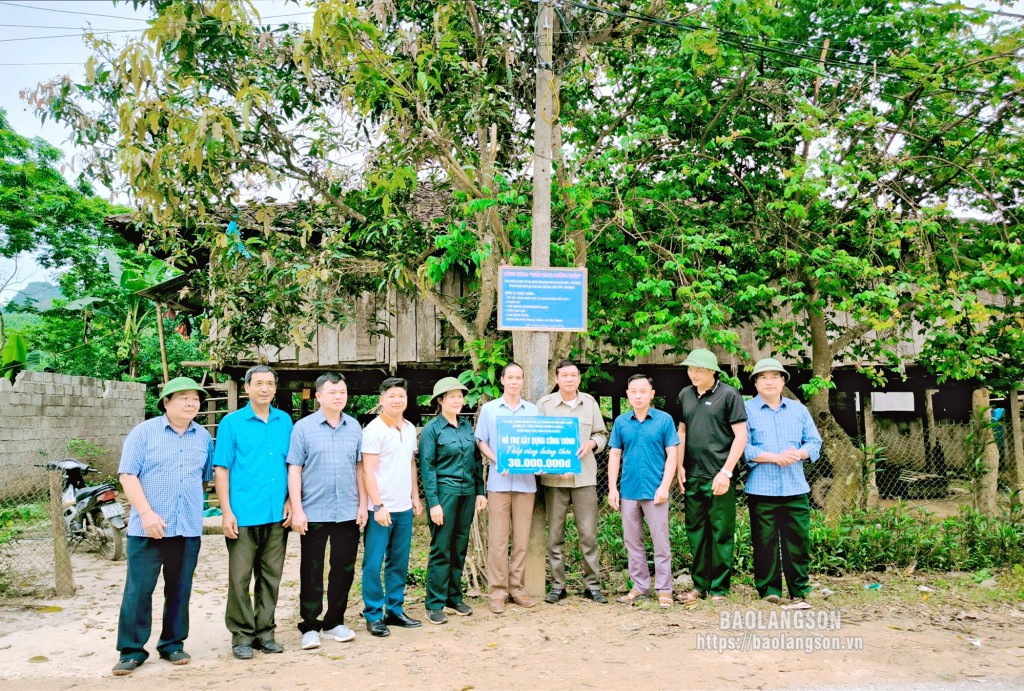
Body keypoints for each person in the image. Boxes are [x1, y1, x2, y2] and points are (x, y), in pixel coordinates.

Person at [112, 377, 213, 676]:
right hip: (148, 528)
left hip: (186, 528)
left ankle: (172, 644)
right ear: (166, 402)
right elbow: (127, 476)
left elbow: (203, 480)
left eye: (195, 398)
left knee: (180, 588)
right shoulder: (144, 433)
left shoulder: (203, 437)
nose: (191, 402)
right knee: (139, 590)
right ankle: (131, 650)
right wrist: (146, 513)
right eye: (182, 397)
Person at [213, 365, 293, 660]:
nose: (264, 388)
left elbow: (292, 466)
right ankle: (242, 635)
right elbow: (221, 469)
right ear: (247, 387)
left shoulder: (285, 421)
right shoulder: (231, 423)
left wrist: (290, 502)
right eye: (258, 383)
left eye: (269, 384)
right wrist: (226, 512)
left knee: (271, 576)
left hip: (276, 513)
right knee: (240, 577)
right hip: (243, 512)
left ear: (275, 388)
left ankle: (265, 632)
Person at [287, 372, 367, 651]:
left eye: (342, 392)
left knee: (343, 568)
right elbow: (294, 469)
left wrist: (362, 504)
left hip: (347, 509)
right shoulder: (303, 428)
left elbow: (360, 468)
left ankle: (335, 621)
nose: (338, 396)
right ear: (319, 396)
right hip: (314, 510)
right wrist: (297, 509)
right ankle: (309, 625)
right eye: (332, 392)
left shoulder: (355, 427)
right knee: (311, 568)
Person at [744, 358, 822, 603]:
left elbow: (814, 443)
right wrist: (774, 457)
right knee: (764, 543)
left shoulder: (798, 410)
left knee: (798, 541)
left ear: (783, 382)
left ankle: (800, 588)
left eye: (775, 377)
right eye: (763, 378)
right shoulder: (746, 410)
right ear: (755, 383)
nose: (769, 382)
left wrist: (797, 454)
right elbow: (742, 447)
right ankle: (769, 591)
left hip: (795, 487)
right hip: (761, 489)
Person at [676, 348, 748, 604]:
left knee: (721, 532)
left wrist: (726, 472)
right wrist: (679, 466)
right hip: (692, 474)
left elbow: (741, 436)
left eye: (698, 370)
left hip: (719, 476)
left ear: (712, 371)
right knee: (696, 531)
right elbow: (681, 432)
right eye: (690, 369)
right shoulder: (685, 394)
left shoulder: (729, 395)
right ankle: (699, 585)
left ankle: (719, 588)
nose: (693, 374)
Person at [537, 359, 609, 604]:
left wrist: (592, 443)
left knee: (588, 534)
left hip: (584, 478)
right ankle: (558, 586)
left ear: (579, 379)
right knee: (555, 535)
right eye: (564, 375)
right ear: (557, 379)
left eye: (574, 375)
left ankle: (592, 586)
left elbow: (602, 434)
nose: (569, 379)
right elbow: (537, 440)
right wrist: (556, 464)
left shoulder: (589, 403)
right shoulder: (545, 405)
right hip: (555, 480)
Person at [607, 373, 680, 609]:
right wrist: (611, 488)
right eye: (633, 392)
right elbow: (615, 454)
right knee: (632, 541)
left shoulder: (664, 420)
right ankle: (639, 586)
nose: (638, 395)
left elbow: (672, 454)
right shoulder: (621, 422)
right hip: (628, 490)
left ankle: (664, 589)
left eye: (643, 391)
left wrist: (665, 485)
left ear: (652, 394)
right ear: (627, 395)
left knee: (660, 541)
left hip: (655, 490)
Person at [419, 377, 487, 625]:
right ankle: (434, 602)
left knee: (459, 548)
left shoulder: (467, 426)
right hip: (444, 494)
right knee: (441, 549)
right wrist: (434, 503)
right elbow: (427, 468)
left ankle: (453, 598)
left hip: (467, 494)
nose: (458, 400)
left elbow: (476, 461)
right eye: (452, 397)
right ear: (440, 401)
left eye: (460, 396)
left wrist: (480, 491)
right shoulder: (432, 430)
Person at [475, 362, 539, 614]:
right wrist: (496, 460)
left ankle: (517, 589)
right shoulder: (490, 410)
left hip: (526, 483)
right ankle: (498, 591)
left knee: (521, 539)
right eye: (509, 377)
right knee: (498, 539)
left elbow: (538, 444)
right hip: (498, 483)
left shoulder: (532, 411)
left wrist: (541, 462)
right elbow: (481, 441)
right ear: (502, 380)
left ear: (523, 381)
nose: (514, 382)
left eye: (518, 378)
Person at [361, 377, 423, 636]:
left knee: (399, 561)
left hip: (403, 507)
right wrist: (378, 505)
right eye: (392, 396)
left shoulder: (409, 428)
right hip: (381, 508)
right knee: (374, 562)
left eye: (401, 396)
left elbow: (410, 463)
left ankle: (395, 609)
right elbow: (368, 471)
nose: (397, 400)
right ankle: (374, 614)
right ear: (381, 400)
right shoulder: (373, 430)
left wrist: (415, 497)